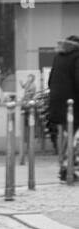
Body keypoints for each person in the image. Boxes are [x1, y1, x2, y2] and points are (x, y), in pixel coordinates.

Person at [47, 36, 79, 170]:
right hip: (73, 103)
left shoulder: (58, 57)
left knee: (67, 132)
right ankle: (69, 164)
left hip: (57, 102)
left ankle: (65, 163)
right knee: (73, 133)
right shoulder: (77, 57)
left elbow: (50, 80)